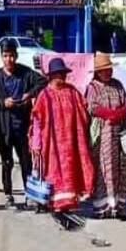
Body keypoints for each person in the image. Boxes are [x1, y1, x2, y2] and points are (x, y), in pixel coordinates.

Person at [30, 58, 96, 217]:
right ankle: (56, 202)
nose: (62, 77)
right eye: (59, 74)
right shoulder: (44, 96)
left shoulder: (72, 92)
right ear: (51, 76)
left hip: (72, 142)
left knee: (71, 171)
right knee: (53, 172)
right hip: (51, 145)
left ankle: (70, 202)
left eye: (63, 74)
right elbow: (37, 121)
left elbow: (84, 112)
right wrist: (36, 143)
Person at [0, 39, 46, 208]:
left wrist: (29, 94)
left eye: (12, 56)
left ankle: (29, 194)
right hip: (4, 128)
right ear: (1, 57)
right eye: (5, 56)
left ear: (16, 56)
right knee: (7, 161)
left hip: (23, 126)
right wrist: (3, 103)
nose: (9, 60)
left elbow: (43, 82)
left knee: (26, 161)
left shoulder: (26, 73)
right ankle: (8, 194)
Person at [86, 52, 126, 219]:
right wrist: (108, 114)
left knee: (121, 169)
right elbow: (92, 107)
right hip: (103, 135)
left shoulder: (117, 85)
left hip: (119, 134)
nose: (108, 72)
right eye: (105, 70)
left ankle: (118, 207)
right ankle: (103, 207)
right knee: (104, 170)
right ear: (98, 72)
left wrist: (119, 114)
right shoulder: (93, 88)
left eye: (109, 69)